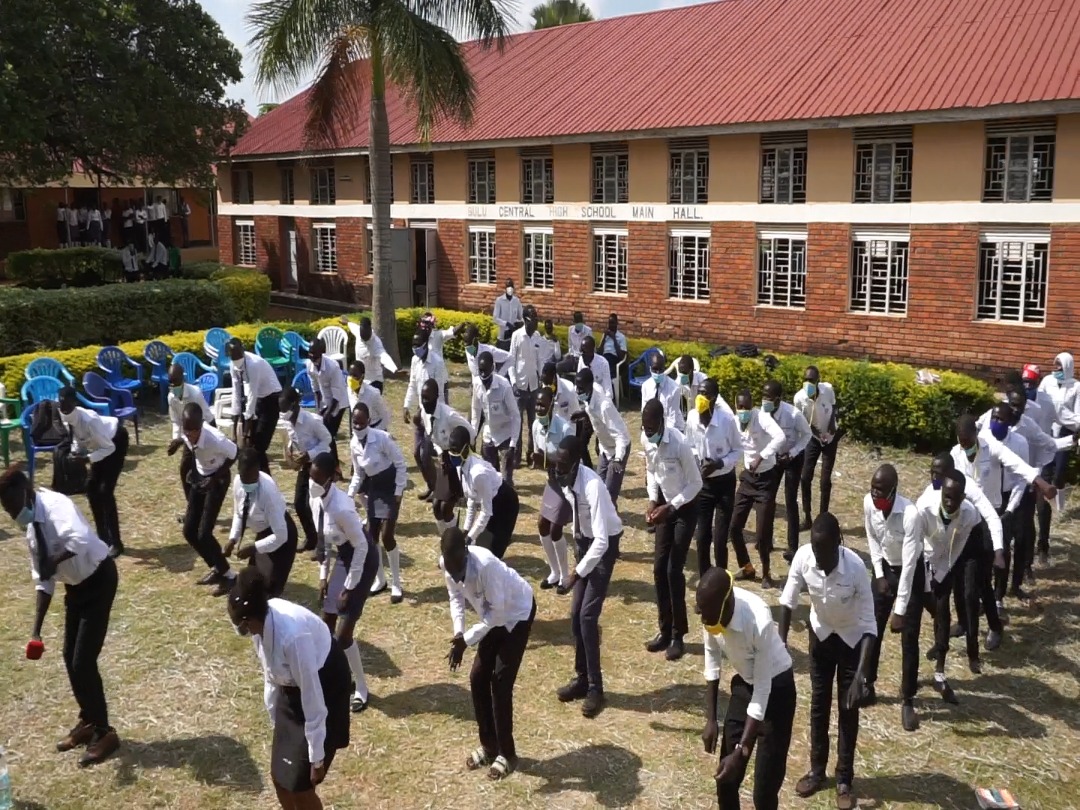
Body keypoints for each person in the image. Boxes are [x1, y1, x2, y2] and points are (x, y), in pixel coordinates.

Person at [0, 464, 121, 766]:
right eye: (7, 512)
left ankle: (105, 732)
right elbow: (44, 578)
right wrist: (35, 630)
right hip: (76, 589)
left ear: (27, 494)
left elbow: (80, 539)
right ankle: (88, 720)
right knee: (69, 657)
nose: (15, 516)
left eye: (15, 508)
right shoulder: (30, 529)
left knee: (83, 660)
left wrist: (54, 559)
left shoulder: (56, 506)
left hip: (99, 579)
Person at [227, 567, 350, 809]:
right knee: (280, 778)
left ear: (251, 619)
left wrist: (316, 755)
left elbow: (313, 695)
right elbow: (271, 675)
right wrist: (277, 722)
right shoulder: (259, 627)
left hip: (325, 684)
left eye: (241, 627)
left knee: (301, 786)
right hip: (292, 687)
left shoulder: (293, 637)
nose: (242, 632)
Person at [779, 513, 876, 810]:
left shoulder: (857, 568)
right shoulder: (805, 558)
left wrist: (862, 674)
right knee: (819, 704)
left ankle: (845, 778)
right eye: (816, 550)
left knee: (848, 710)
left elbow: (870, 625)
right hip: (820, 638)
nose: (819, 559)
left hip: (850, 641)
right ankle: (817, 770)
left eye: (825, 552)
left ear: (840, 542)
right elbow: (787, 602)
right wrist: (781, 646)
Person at [441, 527, 536, 781]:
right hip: (491, 617)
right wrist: (458, 633)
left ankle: (507, 753)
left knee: (500, 682)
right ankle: (489, 746)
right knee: (477, 677)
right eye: (449, 566)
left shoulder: (485, 566)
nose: (454, 572)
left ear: (466, 552)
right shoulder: (447, 563)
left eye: (458, 564)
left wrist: (467, 641)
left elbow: (499, 615)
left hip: (516, 614)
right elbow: (455, 599)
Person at [698, 568, 796, 810]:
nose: (704, 621)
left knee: (763, 793)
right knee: (726, 779)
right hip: (745, 684)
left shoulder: (758, 619)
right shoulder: (711, 612)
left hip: (777, 688)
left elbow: (763, 691)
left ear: (727, 602)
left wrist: (742, 749)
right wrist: (711, 719)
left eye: (708, 615)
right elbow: (712, 659)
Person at [951, 413, 1046, 658]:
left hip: (987, 522)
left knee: (977, 584)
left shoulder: (990, 447)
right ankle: (963, 622)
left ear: (975, 434)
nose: (965, 446)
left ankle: (993, 627)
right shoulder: (955, 454)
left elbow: (1017, 464)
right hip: (963, 523)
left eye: (968, 441)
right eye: (961, 441)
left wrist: (1040, 482)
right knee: (960, 580)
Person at [553, 434, 622, 719]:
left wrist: (575, 574)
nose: (559, 472)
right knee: (574, 615)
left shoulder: (593, 485)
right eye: (556, 466)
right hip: (585, 545)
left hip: (603, 548)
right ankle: (581, 678)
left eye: (563, 467)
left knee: (587, 617)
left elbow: (603, 541)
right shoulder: (566, 480)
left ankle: (596, 687)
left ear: (577, 463)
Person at [311, 452, 379, 713]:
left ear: (331, 478)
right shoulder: (317, 500)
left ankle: (360, 687)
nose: (313, 483)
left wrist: (349, 587)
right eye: (311, 477)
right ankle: (333, 679)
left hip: (362, 558)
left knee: (343, 633)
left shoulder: (342, 507)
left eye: (318, 479)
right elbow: (323, 543)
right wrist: (323, 577)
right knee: (325, 624)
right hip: (343, 556)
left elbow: (362, 547)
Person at [915, 470, 988, 703]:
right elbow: (913, 542)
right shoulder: (924, 508)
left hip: (945, 563)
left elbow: (958, 547)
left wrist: (943, 573)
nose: (949, 502)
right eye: (946, 496)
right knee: (915, 619)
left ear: (963, 497)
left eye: (955, 498)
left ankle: (939, 671)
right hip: (921, 561)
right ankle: (911, 675)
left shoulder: (969, 515)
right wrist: (924, 576)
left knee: (944, 613)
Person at [862, 464, 924, 731]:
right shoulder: (869, 503)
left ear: (894, 490)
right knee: (871, 628)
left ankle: (908, 698)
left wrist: (900, 609)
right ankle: (868, 682)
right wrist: (878, 574)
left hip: (911, 573)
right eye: (873, 488)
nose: (875, 494)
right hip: (884, 569)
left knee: (909, 638)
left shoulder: (911, 515)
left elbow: (910, 566)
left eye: (881, 490)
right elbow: (872, 539)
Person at [642, 398, 702, 662]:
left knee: (673, 570)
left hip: (685, 508)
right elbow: (651, 471)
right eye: (645, 428)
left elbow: (696, 483)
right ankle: (664, 630)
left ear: (662, 423)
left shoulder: (679, 444)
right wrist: (653, 499)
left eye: (652, 427)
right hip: (665, 506)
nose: (648, 432)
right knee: (657, 569)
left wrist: (672, 506)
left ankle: (679, 635)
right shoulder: (647, 440)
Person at [171, 403, 238, 596]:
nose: (190, 435)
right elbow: (186, 436)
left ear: (201, 424)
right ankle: (217, 568)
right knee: (189, 531)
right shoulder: (188, 432)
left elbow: (235, 453)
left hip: (218, 480)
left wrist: (215, 479)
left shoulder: (214, 438)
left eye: (194, 431)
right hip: (200, 477)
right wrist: (178, 441)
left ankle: (230, 577)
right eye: (187, 431)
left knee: (204, 534)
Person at [346, 402, 407, 603]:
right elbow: (358, 473)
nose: (357, 426)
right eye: (355, 422)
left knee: (387, 535)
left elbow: (400, 463)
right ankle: (380, 580)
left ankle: (396, 584)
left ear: (369, 422)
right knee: (372, 539)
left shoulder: (381, 438)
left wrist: (399, 490)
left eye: (361, 423)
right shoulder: (353, 443)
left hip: (390, 486)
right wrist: (349, 495)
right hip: (374, 487)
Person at [57, 387, 129, 557]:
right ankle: (103, 539)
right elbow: (76, 438)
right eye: (61, 405)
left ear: (75, 403)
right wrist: (76, 452)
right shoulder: (65, 416)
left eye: (66, 405)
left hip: (114, 441)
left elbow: (109, 448)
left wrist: (88, 458)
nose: (63, 409)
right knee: (91, 489)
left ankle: (117, 543)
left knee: (105, 491)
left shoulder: (89, 420)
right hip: (98, 447)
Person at [729, 389, 787, 587]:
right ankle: (746, 566)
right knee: (734, 527)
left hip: (765, 480)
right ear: (735, 406)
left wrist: (763, 456)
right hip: (747, 479)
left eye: (746, 407)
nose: (743, 411)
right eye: (740, 407)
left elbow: (780, 437)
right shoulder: (735, 421)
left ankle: (766, 573)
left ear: (752, 407)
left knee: (762, 532)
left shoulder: (761, 418)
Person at [685, 380, 741, 575]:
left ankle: (722, 579)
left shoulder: (727, 420)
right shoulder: (692, 418)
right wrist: (698, 462)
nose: (700, 397)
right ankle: (705, 578)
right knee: (702, 536)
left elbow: (737, 450)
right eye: (699, 392)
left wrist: (718, 464)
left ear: (714, 398)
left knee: (719, 539)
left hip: (724, 483)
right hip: (703, 483)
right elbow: (690, 445)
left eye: (705, 394)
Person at [225, 448, 298, 598]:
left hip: (281, 536)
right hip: (264, 533)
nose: (246, 482)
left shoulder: (268, 493)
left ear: (257, 470)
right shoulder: (239, 482)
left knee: (269, 589)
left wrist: (255, 548)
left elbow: (281, 536)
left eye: (250, 477)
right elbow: (239, 513)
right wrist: (233, 538)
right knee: (253, 581)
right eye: (243, 476)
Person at [447, 426, 520, 559]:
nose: (453, 455)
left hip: (505, 504)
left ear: (466, 448)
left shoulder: (478, 473)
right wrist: (466, 530)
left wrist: (469, 537)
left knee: (488, 557)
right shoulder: (461, 467)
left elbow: (486, 511)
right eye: (451, 450)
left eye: (456, 450)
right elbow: (471, 500)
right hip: (491, 503)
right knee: (476, 550)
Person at [761, 380, 812, 563]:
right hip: (773, 459)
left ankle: (793, 547)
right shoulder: (762, 413)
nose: (765, 400)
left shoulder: (793, 414)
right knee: (768, 499)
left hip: (792, 458)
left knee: (790, 500)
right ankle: (766, 541)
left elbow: (806, 435)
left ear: (778, 399)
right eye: (763, 396)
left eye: (769, 398)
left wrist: (792, 453)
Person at [281, 386, 334, 556]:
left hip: (319, 466)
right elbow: (293, 438)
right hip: (305, 467)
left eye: (285, 409)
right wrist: (291, 450)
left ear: (295, 404)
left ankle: (322, 543)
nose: (283, 414)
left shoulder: (312, 421)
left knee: (314, 506)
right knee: (299, 504)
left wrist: (309, 454)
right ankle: (311, 538)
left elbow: (327, 440)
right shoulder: (288, 422)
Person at [531, 387, 573, 593]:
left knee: (556, 529)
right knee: (542, 525)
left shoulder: (565, 428)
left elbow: (570, 460)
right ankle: (554, 572)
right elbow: (539, 456)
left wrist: (545, 460)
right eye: (537, 404)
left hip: (568, 483)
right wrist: (538, 461)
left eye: (543, 405)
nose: (539, 408)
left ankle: (566, 576)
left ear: (552, 406)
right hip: (552, 481)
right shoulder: (535, 426)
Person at [419, 381, 475, 532]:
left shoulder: (449, 415)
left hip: (457, 459)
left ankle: (456, 538)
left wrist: (460, 451)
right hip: (444, 460)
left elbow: (471, 432)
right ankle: (446, 538)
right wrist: (440, 453)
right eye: (422, 398)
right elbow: (433, 438)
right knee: (436, 507)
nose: (425, 402)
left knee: (446, 508)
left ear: (437, 397)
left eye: (428, 398)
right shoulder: (425, 413)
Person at [573, 367, 630, 504]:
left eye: (581, 389)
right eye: (577, 387)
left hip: (617, 450)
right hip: (605, 449)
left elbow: (620, 436)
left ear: (589, 386)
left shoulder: (605, 406)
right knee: (597, 489)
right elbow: (591, 409)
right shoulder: (592, 392)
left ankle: (611, 523)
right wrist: (583, 414)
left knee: (609, 497)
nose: (578, 391)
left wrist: (618, 459)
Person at [794, 366, 840, 529]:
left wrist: (832, 426)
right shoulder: (799, 398)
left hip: (830, 438)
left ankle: (822, 518)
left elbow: (834, 406)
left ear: (818, 381)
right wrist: (813, 431)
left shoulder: (827, 390)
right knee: (805, 477)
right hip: (813, 439)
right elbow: (801, 421)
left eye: (812, 380)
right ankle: (807, 517)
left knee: (825, 481)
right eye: (806, 380)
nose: (808, 383)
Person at [1037, 352, 1080, 527]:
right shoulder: (1047, 381)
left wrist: (1071, 424)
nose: (1056, 369)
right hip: (1048, 429)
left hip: (1065, 430)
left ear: (1068, 367)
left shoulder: (1076, 387)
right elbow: (1038, 401)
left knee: (1060, 470)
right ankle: (1044, 507)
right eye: (1055, 365)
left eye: (1060, 367)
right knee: (1045, 469)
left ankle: (1060, 510)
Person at [229, 337, 283, 474]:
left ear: (243, 351)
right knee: (251, 446)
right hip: (259, 399)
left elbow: (252, 394)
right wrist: (235, 430)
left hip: (271, 399)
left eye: (238, 356)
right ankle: (256, 476)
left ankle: (265, 479)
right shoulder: (233, 365)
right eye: (232, 357)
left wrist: (246, 430)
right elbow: (236, 392)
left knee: (259, 446)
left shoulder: (253, 364)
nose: (236, 361)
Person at [471, 351, 522, 485]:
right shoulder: (476, 384)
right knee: (491, 477)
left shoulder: (504, 386)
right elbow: (476, 411)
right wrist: (473, 435)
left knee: (505, 480)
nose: (483, 375)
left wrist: (513, 444)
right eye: (480, 371)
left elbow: (516, 415)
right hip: (489, 435)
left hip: (505, 436)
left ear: (493, 368)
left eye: (486, 370)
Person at [404, 330, 443, 500]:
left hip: (432, 416)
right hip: (420, 415)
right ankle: (431, 485)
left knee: (425, 455)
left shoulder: (437, 363)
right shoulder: (415, 361)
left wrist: (426, 413)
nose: (415, 348)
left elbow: (440, 393)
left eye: (417, 344)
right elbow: (413, 384)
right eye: (413, 344)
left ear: (426, 344)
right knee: (416, 454)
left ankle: (439, 491)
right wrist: (407, 405)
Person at [168, 363, 214, 501]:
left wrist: (182, 440)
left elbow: (204, 420)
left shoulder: (195, 393)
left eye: (176, 381)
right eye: (171, 382)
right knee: (185, 469)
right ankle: (191, 506)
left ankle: (206, 504)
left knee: (203, 469)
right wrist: (175, 439)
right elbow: (176, 421)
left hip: (206, 428)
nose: (173, 386)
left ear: (183, 378)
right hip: (188, 435)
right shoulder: (171, 397)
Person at [508, 305, 544, 462]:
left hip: (534, 386)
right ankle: (516, 456)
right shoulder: (516, 336)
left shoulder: (537, 337)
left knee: (533, 424)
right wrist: (514, 382)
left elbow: (540, 361)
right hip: (520, 386)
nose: (535, 322)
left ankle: (531, 455)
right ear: (525, 320)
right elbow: (511, 361)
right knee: (517, 422)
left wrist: (542, 380)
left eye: (537, 319)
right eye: (533, 319)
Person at [306, 337, 350, 453]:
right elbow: (315, 389)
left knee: (328, 434)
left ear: (321, 353)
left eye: (314, 354)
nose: (311, 356)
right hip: (326, 401)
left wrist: (327, 414)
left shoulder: (332, 367)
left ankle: (334, 466)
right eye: (310, 353)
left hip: (339, 402)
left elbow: (336, 396)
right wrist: (318, 409)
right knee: (323, 432)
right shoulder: (309, 366)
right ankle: (329, 461)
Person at [340, 316, 397, 393]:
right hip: (359, 378)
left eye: (366, 336)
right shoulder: (358, 331)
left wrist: (394, 369)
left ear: (370, 330)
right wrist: (347, 322)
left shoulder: (376, 343)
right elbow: (353, 326)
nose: (364, 338)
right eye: (362, 336)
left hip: (374, 380)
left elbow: (384, 356)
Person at [640, 351, 685, 431]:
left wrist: (661, 434)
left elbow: (672, 419)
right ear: (650, 368)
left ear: (664, 368)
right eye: (655, 369)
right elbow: (644, 410)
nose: (657, 373)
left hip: (674, 428)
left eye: (660, 369)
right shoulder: (645, 386)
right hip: (654, 427)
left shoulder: (674, 389)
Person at [345, 360, 391, 428]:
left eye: (355, 375)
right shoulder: (348, 390)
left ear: (362, 377)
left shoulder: (373, 393)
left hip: (374, 427)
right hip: (359, 428)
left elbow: (386, 417)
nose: (351, 378)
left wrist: (374, 432)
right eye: (350, 375)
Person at [599, 313, 628, 399]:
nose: (610, 325)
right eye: (609, 323)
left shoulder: (621, 337)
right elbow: (599, 352)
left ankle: (609, 395)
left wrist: (614, 338)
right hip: (603, 358)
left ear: (616, 324)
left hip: (614, 359)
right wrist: (604, 338)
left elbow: (621, 356)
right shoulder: (605, 335)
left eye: (612, 323)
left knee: (607, 368)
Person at [492, 278, 523, 350]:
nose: (510, 288)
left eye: (511, 286)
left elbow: (521, 316)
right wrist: (506, 323)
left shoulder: (516, 301)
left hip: (513, 338)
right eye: (508, 286)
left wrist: (519, 323)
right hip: (503, 338)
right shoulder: (499, 300)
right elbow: (495, 318)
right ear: (505, 288)